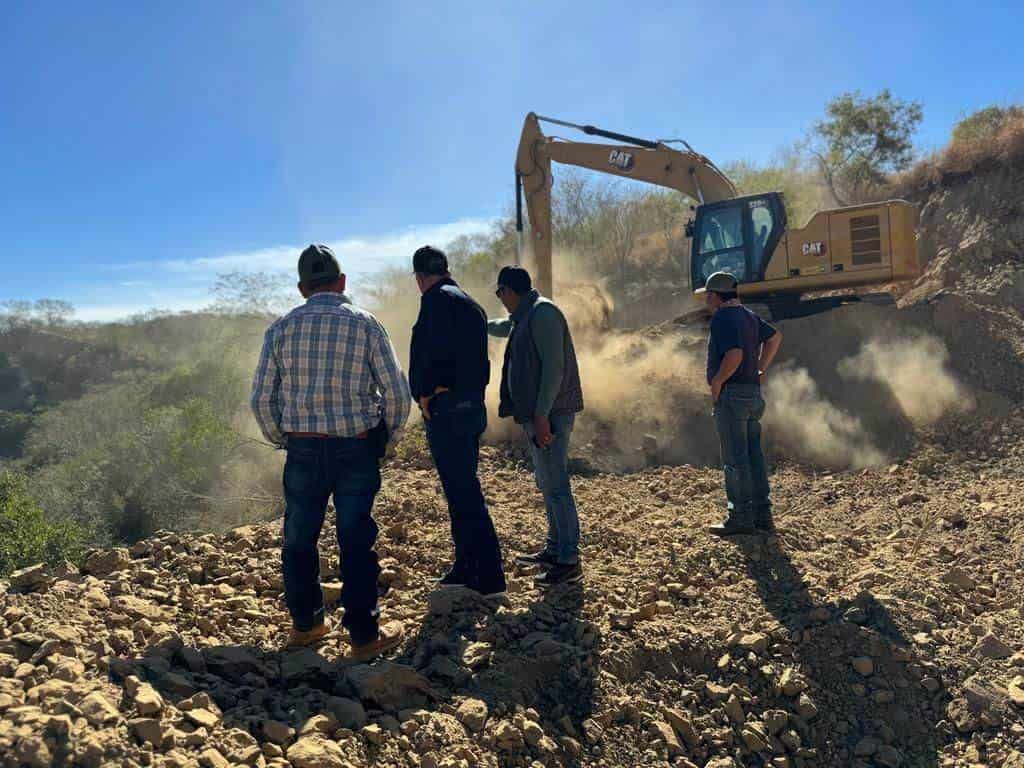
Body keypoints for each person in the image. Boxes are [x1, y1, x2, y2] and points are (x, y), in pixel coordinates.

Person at [250, 244, 411, 658]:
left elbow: (262, 399)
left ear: (302, 288)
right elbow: (397, 394)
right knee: (356, 540)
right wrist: (386, 440)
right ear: (343, 282)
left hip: (303, 450)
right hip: (356, 449)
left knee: (299, 538)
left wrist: (284, 438)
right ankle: (363, 638)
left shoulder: (280, 329)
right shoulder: (366, 325)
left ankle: (307, 626)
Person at [408, 246, 506, 595]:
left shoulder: (435, 302)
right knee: (463, 489)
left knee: (463, 492)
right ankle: (467, 568)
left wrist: (424, 392)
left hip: (447, 410)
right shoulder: (471, 304)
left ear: (420, 277)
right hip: (471, 407)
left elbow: (428, 355)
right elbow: (478, 366)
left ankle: (490, 576)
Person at [488, 266, 584, 587]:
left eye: (499, 293)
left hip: (551, 414)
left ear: (509, 291)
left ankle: (569, 561)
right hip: (539, 414)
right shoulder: (527, 314)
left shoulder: (543, 314)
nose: (499, 300)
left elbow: (554, 368)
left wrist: (542, 415)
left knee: (556, 484)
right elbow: (505, 327)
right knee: (547, 482)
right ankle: (555, 549)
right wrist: (477, 323)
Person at [698, 270, 783, 536]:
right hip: (752, 394)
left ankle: (740, 517)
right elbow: (775, 338)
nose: (706, 301)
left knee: (735, 460)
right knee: (753, 456)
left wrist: (717, 382)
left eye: (707, 296)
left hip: (732, 396)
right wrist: (759, 368)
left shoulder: (723, 317)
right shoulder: (749, 316)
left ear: (714, 295)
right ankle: (762, 515)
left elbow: (733, 354)